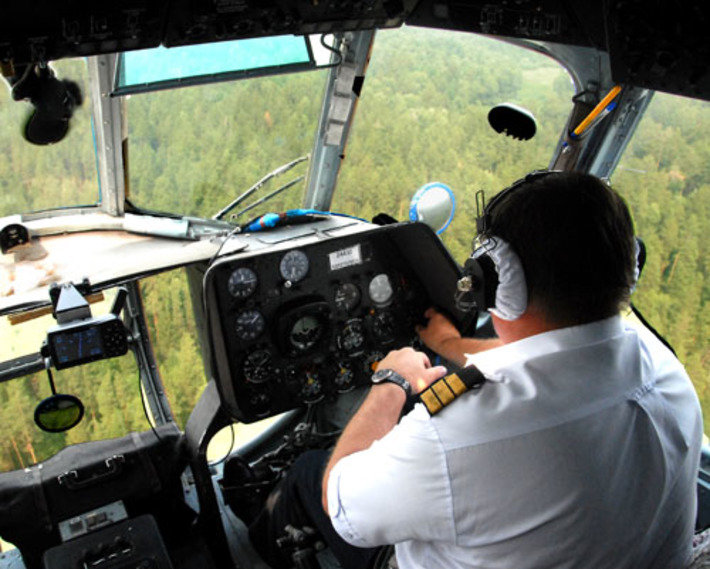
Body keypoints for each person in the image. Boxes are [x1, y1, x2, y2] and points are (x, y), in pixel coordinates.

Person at [251, 170, 703, 569]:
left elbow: (341, 503)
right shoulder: (662, 365)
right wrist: (448, 345)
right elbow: (544, 358)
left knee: (312, 474)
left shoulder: (457, 434)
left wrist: (390, 383)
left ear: (499, 282)